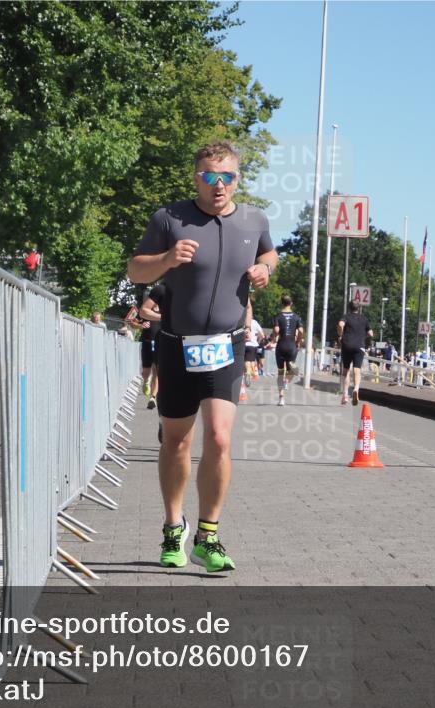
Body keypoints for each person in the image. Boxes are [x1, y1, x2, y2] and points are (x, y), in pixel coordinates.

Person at [127, 140, 277, 573]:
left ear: (237, 179)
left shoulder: (254, 219)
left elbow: (268, 251)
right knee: (177, 442)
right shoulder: (169, 218)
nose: (218, 185)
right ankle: (174, 527)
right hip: (177, 344)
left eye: (226, 176)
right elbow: (135, 269)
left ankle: (208, 536)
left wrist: (266, 268)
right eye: (209, 176)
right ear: (196, 178)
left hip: (226, 345)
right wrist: (168, 258)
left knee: (219, 438)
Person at [338, 301, 374, 405]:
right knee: (357, 369)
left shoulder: (346, 317)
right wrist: (363, 338)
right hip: (360, 346)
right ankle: (356, 389)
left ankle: (345, 394)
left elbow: (340, 325)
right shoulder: (364, 318)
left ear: (349, 308)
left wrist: (341, 335)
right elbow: (371, 333)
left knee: (346, 370)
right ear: (359, 308)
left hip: (347, 344)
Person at [272, 295, 303, 407]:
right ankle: (287, 381)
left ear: (282, 303)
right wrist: (298, 341)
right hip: (291, 346)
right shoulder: (296, 316)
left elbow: (276, 329)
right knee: (293, 370)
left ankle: (281, 398)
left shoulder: (278, 316)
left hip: (281, 345)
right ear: (291, 303)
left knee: (281, 372)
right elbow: (300, 330)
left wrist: (274, 337)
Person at [139, 283, 167, 410]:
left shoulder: (164, 311)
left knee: (157, 370)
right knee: (146, 371)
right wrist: (140, 326)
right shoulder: (146, 313)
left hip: (160, 342)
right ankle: (146, 381)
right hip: (147, 342)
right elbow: (131, 322)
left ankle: (153, 397)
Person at [244, 299, 264, 386]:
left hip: (243, 344)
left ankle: (247, 373)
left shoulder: (241, 320)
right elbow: (262, 335)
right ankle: (248, 373)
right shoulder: (255, 322)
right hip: (253, 345)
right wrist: (258, 341)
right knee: (251, 361)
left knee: (246, 361)